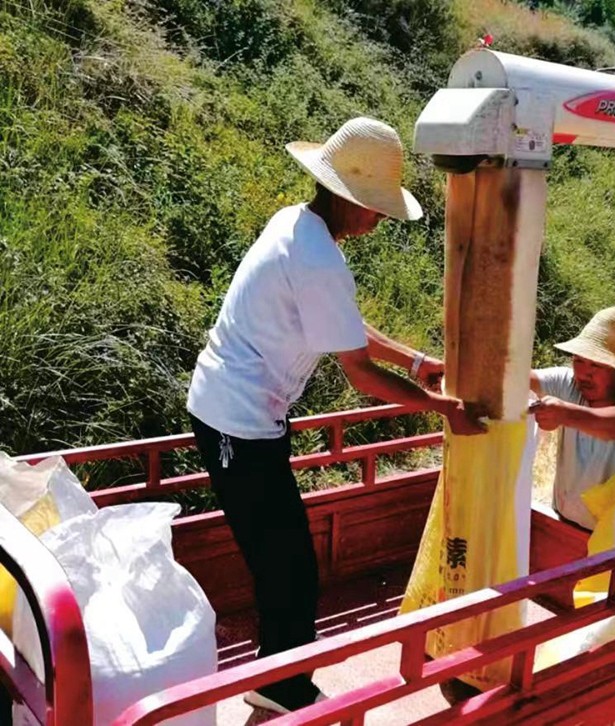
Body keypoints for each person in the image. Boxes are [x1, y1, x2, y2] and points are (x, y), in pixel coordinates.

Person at [186, 117, 484, 715]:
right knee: (290, 566)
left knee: (287, 562)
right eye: (374, 208)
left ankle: (278, 678)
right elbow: (360, 374)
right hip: (234, 424)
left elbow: (347, 326)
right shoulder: (319, 258)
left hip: (246, 420)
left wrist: (419, 361)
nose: (377, 221)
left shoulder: (296, 224)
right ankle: (282, 686)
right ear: (346, 196)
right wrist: (442, 409)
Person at [529, 305, 615, 531]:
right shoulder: (568, 384)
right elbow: (520, 379)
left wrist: (564, 414)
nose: (583, 373)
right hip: (564, 524)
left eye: (596, 365)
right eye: (579, 361)